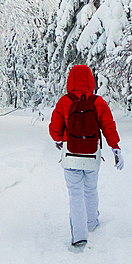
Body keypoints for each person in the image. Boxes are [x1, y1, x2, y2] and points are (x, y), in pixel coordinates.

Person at [49, 64, 123, 248]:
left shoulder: (65, 101)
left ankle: (79, 236)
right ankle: (91, 224)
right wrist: (116, 148)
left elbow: (54, 131)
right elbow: (109, 126)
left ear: (70, 80)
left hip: (70, 155)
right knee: (90, 190)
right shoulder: (97, 102)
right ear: (91, 80)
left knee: (75, 194)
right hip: (92, 155)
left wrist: (61, 139)